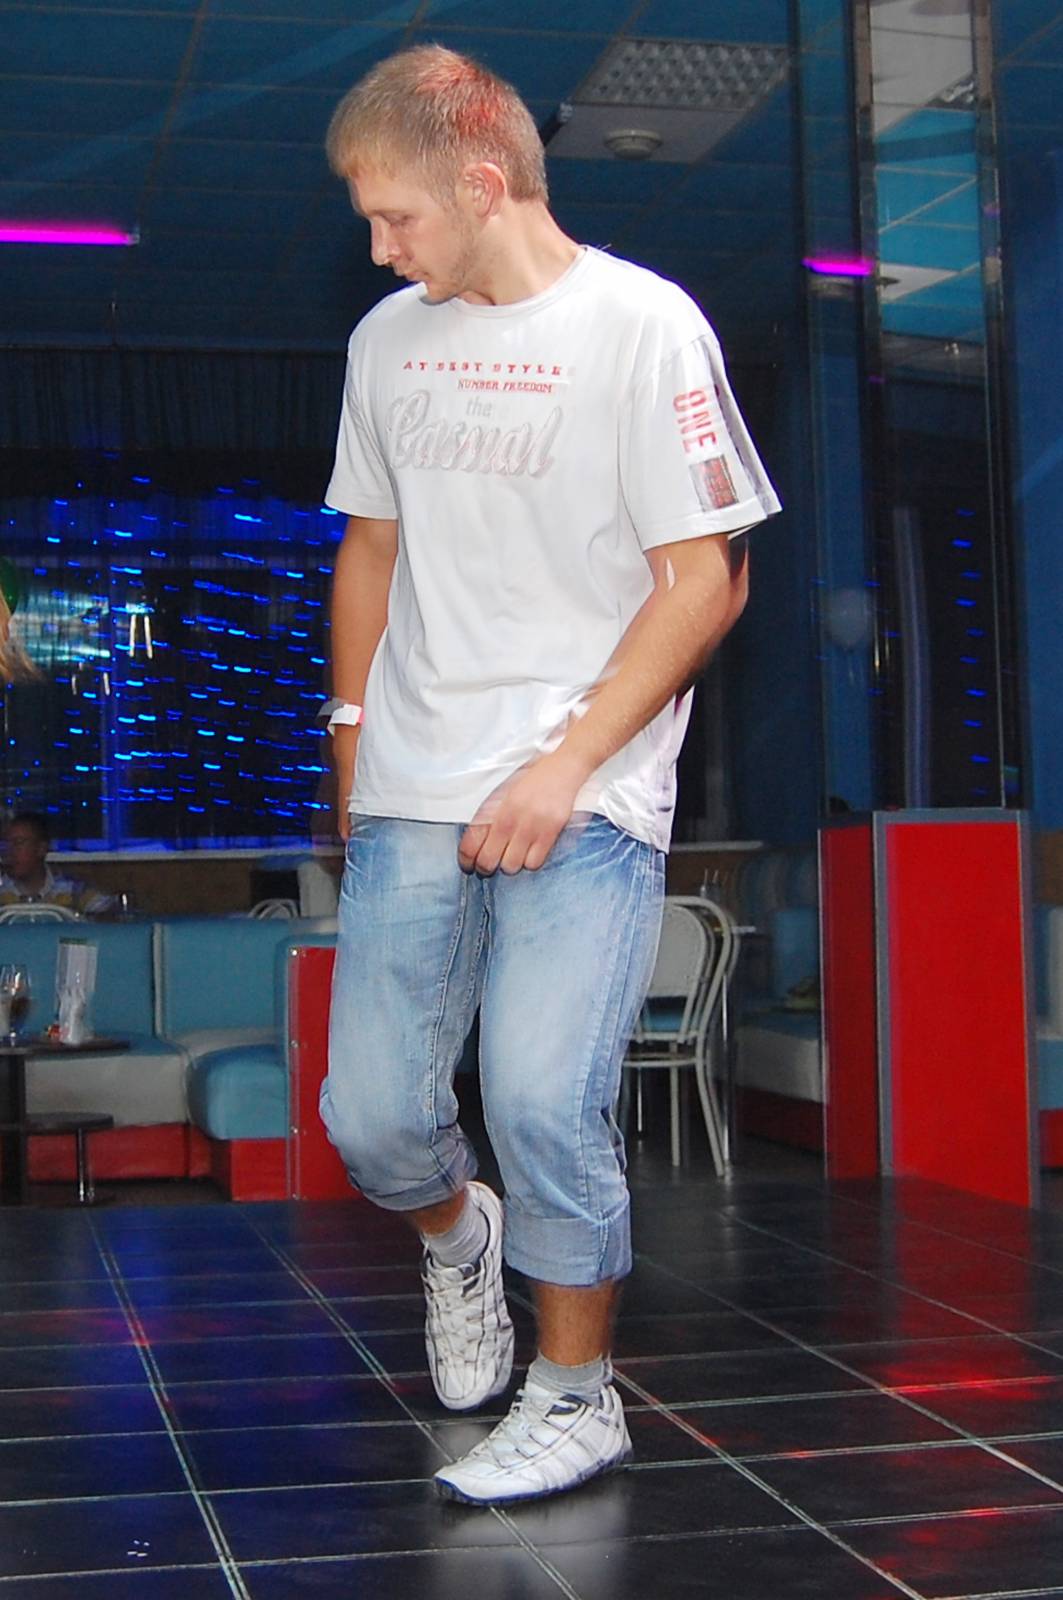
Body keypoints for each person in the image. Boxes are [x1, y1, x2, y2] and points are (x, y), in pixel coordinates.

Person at [319, 44, 781, 1507]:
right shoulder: (386, 342)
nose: (379, 247)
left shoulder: (643, 327)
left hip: (584, 790)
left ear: (479, 181)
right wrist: (348, 737)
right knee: (374, 1122)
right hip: (413, 781)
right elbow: (370, 548)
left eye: (393, 216)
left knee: (537, 1098)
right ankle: (458, 1238)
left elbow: (705, 582)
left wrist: (565, 762)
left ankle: (577, 1396)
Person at [0, 812, 115, 917]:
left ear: (41, 849)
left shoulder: (73, 890)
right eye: (5, 844)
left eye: (18, 843)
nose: (9, 851)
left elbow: (111, 915)